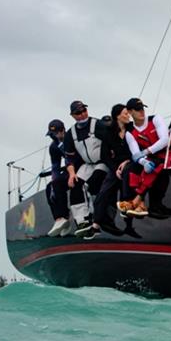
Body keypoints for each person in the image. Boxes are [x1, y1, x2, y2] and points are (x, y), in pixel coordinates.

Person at [117, 97, 171, 219]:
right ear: (130, 112)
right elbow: (136, 154)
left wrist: (146, 152)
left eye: (142, 108)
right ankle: (130, 200)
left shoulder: (155, 119)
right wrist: (143, 161)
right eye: (137, 109)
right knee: (129, 168)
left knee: (155, 167)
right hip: (152, 157)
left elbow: (164, 140)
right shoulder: (130, 132)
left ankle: (136, 200)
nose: (141, 112)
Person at [80, 104, 133, 239]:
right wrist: (115, 170)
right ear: (117, 116)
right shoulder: (109, 133)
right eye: (125, 113)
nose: (128, 115)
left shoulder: (132, 129)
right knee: (104, 192)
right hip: (115, 167)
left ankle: (127, 221)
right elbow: (105, 156)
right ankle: (96, 225)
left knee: (124, 185)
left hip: (132, 163)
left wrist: (127, 162)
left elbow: (139, 149)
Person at [62, 100, 109, 237]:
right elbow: (69, 158)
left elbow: (111, 140)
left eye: (84, 111)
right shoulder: (71, 134)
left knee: (92, 184)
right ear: (72, 115)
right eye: (78, 113)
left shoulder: (98, 125)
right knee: (76, 184)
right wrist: (71, 174)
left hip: (102, 162)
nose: (82, 114)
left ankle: (94, 218)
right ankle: (82, 221)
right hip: (87, 164)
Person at [44, 119, 71, 236]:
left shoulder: (71, 138)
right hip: (68, 169)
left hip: (80, 166)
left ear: (62, 131)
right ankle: (60, 219)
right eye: (51, 135)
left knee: (58, 183)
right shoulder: (53, 146)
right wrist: (54, 181)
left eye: (54, 135)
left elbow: (73, 156)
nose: (53, 137)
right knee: (50, 188)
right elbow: (55, 166)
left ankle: (65, 216)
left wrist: (60, 144)